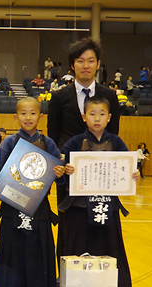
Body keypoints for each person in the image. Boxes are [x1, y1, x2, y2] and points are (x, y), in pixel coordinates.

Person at [47, 37, 121, 269]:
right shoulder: (59, 97)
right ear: (72, 65)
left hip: (100, 174)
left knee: (102, 220)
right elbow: (53, 136)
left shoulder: (109, 96)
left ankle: (103, 273)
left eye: (91, 60)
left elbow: (114, 135)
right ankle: (66, 273)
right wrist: (60, 167)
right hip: (69, 174)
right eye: (80, 61)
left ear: (98, 64)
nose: (86, 65)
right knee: (70, 224)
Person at [59, 96, 140, 287]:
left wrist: (133, 173)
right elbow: (59, 170)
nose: (97, 118)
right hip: (79, 205)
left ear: (109, 117)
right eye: (92, 114)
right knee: (78, 245)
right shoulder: (75, 142)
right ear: (83, 117)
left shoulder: (116, 142)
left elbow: (126, 167)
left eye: (102, 114)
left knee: (109, 245)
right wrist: (65, 169)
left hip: (107, 204)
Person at [0, 97, 66, 287]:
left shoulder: (48, 143)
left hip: (39, 205)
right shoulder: (9, 142)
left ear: (41, 117)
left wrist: (60, 172)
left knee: (36, 247)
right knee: (13, 246)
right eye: (23, 113)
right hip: (12, 205)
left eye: (33, 113)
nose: (28, 117)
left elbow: (60, 172)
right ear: (16, 117)